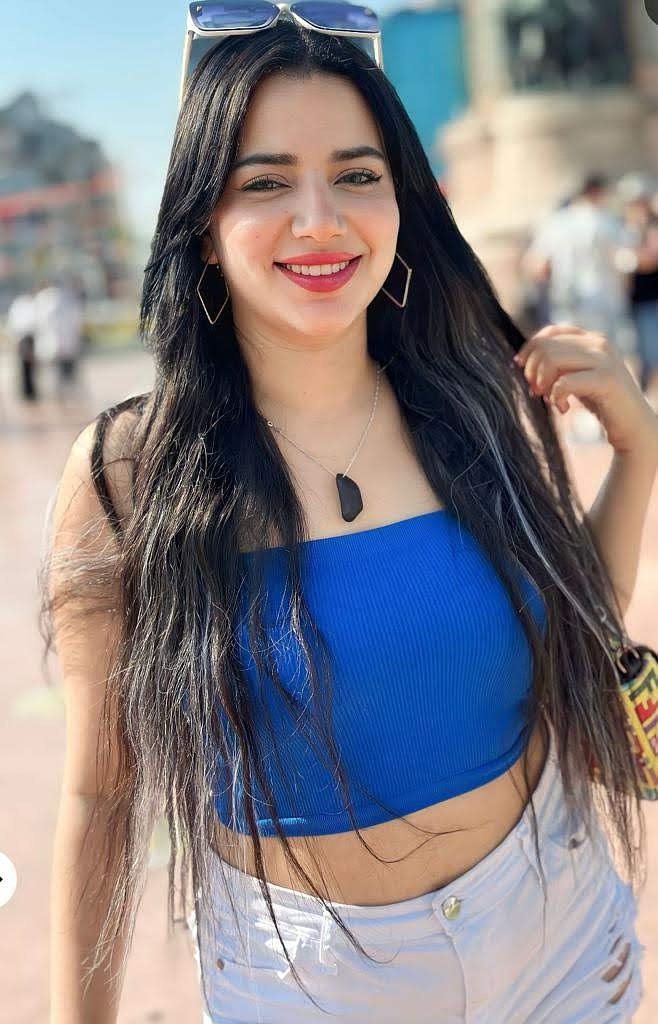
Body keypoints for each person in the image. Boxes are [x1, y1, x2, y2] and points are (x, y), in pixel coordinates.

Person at [44, 15, 649, 1024]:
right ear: (202, 221)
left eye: (357, 175)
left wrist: (640, 454)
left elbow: (572, 640)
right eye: (265, 182)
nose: (319, 220)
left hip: (558, 939)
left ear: (401, 200)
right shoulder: (132, 473)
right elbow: (99, 797)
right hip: (310, 984)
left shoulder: (466, 408)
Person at [522, 173, 635, 441]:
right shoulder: (606, 221)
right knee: (607, 364)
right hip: (605, 303)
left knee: (571, 365)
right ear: (596, 192)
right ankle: (607, 425)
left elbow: (536, 265)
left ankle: (578, 425)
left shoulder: (556, 224)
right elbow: (626, 262)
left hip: (568, 304)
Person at [618, 173, 658, 400]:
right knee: (639, 355)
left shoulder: (652, 225)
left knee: (652, 354)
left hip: (651, 301)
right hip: (633, 302)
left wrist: (631, 258)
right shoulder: (626, 227)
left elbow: (651, 258)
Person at [33, 275, 85, 404]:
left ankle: (60, 395)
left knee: (56, 372)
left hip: (56, 341)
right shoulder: (65, 297)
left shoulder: (45, 298)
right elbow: (76, 319)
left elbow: (38, 321)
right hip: (62, 341)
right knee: (63, 372)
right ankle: (64, 394)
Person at [5, 286, 38, 401]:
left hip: (26, 337)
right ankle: (28, 391)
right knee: (26, 365)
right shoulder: (27, 305)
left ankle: (28, 390)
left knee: (28, 366)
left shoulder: (22, 305)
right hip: (25, 337)